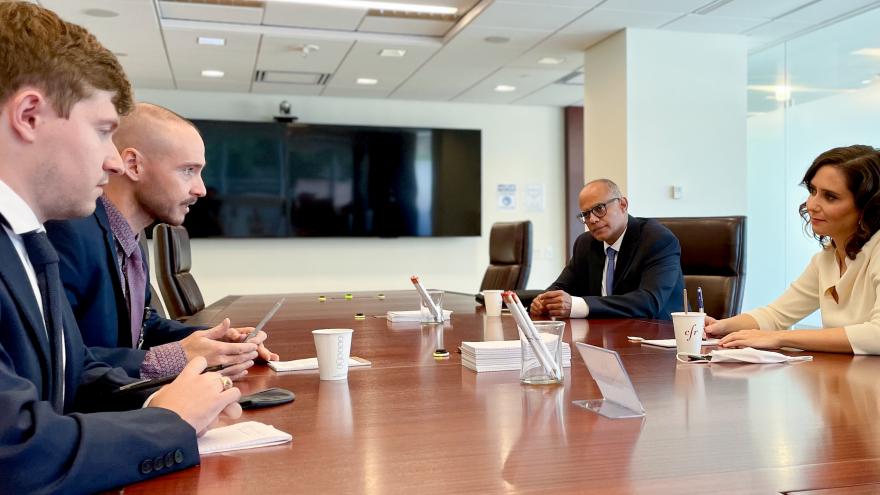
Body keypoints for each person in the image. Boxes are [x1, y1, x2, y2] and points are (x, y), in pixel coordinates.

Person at [0, 3, 241, 491]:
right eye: (104, 131)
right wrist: (168, 423)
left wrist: (169, 401)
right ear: (29, 116)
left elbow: (76, 371)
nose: (113, 162)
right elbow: (16, 450)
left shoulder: (30, 242)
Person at [46, 102, 278, 379]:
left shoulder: (132, 239)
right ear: (133, 165)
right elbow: (61, 361)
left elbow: (142, 326)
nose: (201, 189)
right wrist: (174, 358)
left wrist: (212, 340)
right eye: (187, 170)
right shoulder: (69, 234)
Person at [708, 145, 880, 354]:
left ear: (869, 206)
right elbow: (776, 315)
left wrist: (778, 338)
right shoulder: (826, 258)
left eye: (830, 197)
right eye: (813, 191)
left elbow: (876, 335)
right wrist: (719, 327)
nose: (812, 205)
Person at [530, 179, 684, 320]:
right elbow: (563, 286)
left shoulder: (657, 240)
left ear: (623, 204)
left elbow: (648, 301)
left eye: (599, 208)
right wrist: (544, 300)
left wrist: (578, 305)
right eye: (586, 214)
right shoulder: (585, 243)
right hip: (606, 334)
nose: (593, 219)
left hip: (657, 336)